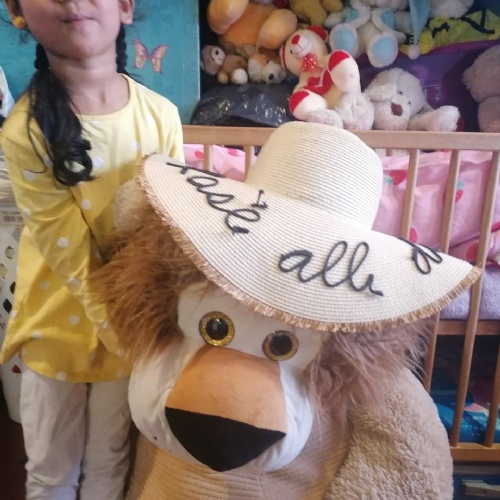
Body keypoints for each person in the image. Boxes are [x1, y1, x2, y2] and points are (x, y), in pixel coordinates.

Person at [0, 1, 184, 499]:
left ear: (125, 6)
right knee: (51, 472)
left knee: (109, 463)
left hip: (129, 329)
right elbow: (67, 249)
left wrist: (153, 330)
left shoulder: (161, 116)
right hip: (57, 328)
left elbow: (170, 232)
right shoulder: (26, 130)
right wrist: (126, 328)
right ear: (18, 12)